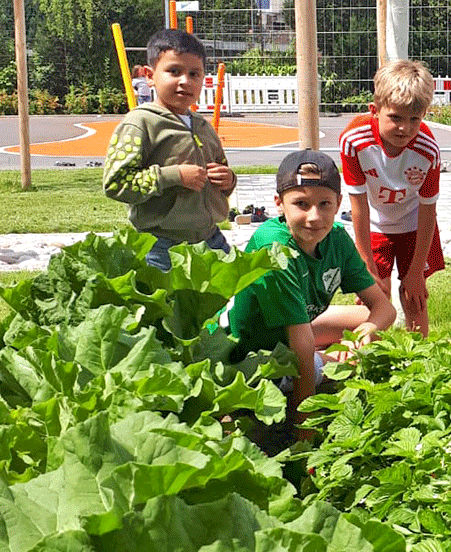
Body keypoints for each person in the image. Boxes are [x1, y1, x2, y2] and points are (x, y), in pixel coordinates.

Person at [214, 150, 397, 438]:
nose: (315, 217)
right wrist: (304, 425)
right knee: (345, 363)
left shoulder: (336, 237)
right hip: (247, 354)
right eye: (301, 204)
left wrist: (367, 333)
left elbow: (385, 309)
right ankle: (317, 368)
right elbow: (300, 344)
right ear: (279, 204)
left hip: (287, 331)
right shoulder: (275, 247)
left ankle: (323, 359)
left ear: (338, 204)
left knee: (365, 318)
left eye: (325, 203)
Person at [103, 29, 236, 272]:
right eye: (174, 71)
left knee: (222, 304)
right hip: (160, 245)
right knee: (167, 308)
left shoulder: (202, 125)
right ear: (150, 76)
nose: (185, 80)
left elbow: (221, 169)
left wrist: (227, 180)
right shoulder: (140, 123)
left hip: (210, 239)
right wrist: (174, 176)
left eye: (194, 74)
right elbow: (116, 183)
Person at [339, 59, 445, 336]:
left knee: (414, 294)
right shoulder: (354, 141)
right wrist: (366, 265)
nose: (405, 128)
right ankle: (368, 356)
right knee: (372, 294)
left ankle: (419, 356)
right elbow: (358, 206)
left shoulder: (428, 151)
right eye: (396, 117)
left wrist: (414, 274)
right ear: (375, 111)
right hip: (375, 221)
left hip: (413, 223)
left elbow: (427, 210)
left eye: (414, 119)